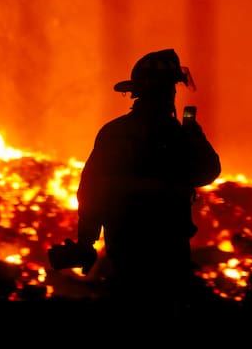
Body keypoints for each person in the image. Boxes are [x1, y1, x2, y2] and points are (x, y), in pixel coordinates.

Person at [75, 48, 221, 310]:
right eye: (171, 88)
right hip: (168, 248)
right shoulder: (177, 135)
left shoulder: (114, 132)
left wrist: (86, 241)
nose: (173, 94)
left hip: (125, 246)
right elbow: (207, 172)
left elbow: (91, 191)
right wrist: (194, 136)